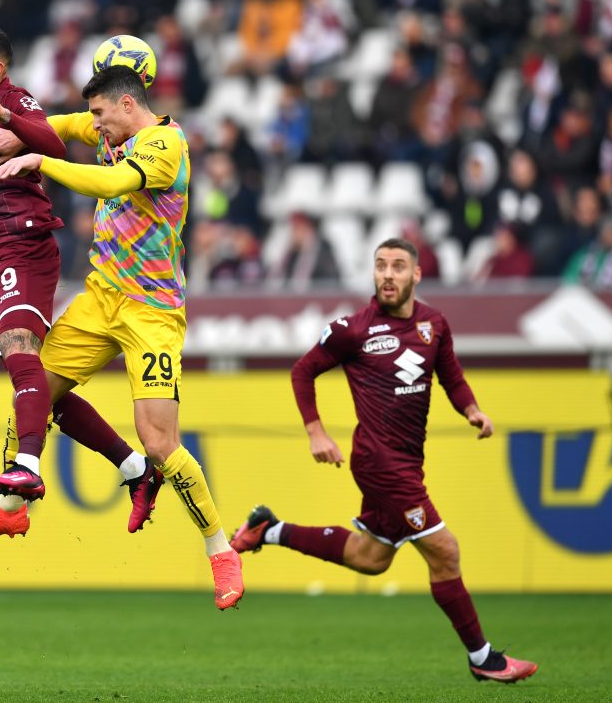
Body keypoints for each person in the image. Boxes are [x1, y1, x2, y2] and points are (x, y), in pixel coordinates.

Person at [0, 64, 245, 610]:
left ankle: (220, 550)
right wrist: (10, 119)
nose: (96, 126)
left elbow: (114, 182)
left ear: (128, 105)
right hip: (101, 299)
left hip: (153, 311)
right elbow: (66, 122)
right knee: (33, 390)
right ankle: (10, 507)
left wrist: (40, 160)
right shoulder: (111, 128)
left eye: (102, 115)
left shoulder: (165, 144)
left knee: (160, 440)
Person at [229, 237, 538, 682]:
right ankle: (483, 658)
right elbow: (303, 370)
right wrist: (316, 430)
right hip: (379, 462)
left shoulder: (435, 325)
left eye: (397, 266)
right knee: (445, 551)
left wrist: (472, 409)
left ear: (416, 274)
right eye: (380, 266)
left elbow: (450, 375)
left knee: (370, 557)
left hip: (408, 461)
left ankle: (268, 528)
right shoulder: (352, 329)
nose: (387, 275)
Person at [0, 27, 161, 552]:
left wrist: (8, 119)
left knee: (22, 355)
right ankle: (135, 469)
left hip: (22, 241)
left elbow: (51, 140)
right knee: (42, 390)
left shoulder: (13, 100)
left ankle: (25, 472)